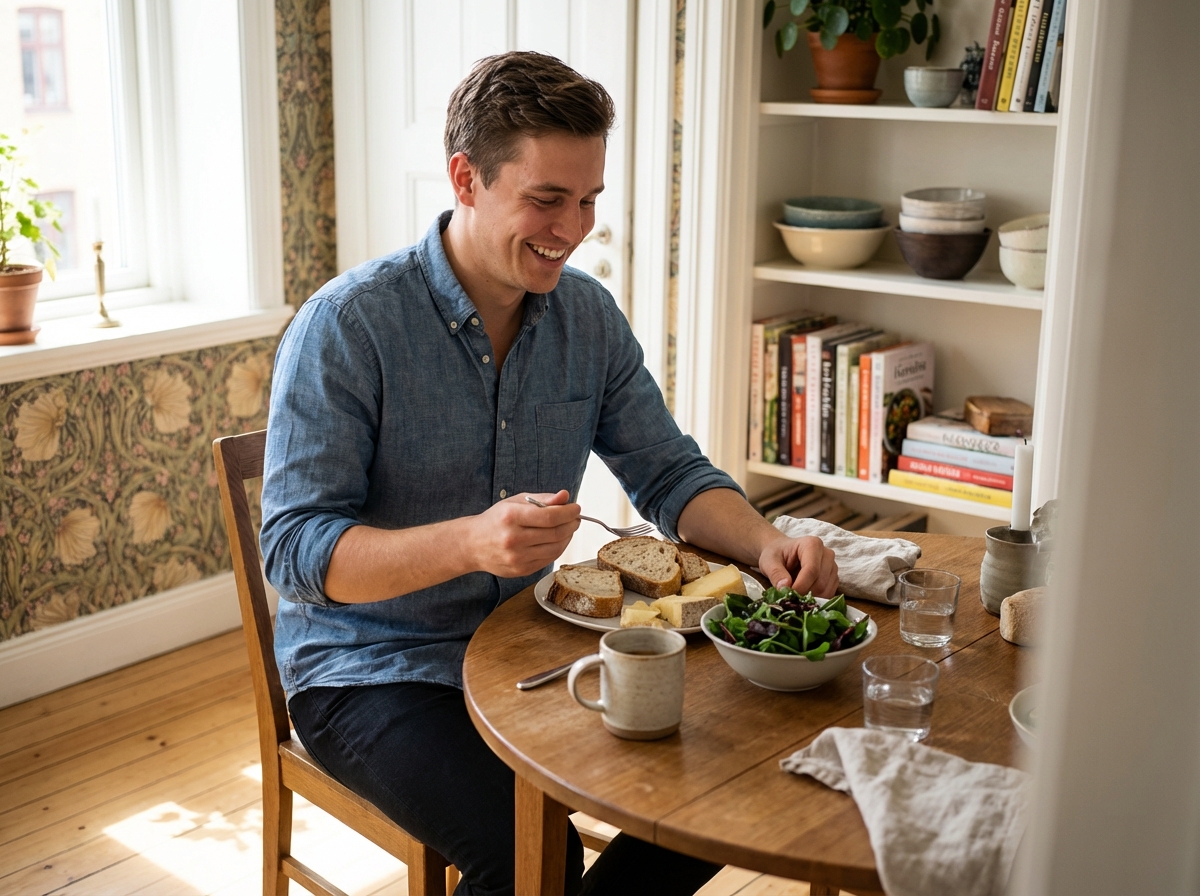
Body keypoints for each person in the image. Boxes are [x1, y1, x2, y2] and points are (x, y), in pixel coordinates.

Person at [260, 51, 837, 896]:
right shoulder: (347, 326)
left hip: (529, 649)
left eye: (589, 199)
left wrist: (766, 540)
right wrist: (469, 542)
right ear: (466, 177)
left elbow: (668, 470)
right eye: (546, 199)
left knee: (728, 785)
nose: (573, 227)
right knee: (531, 858)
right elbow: (296, 552)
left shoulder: (588, 317)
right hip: (372, 668)